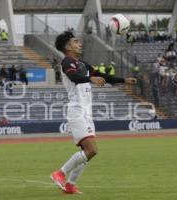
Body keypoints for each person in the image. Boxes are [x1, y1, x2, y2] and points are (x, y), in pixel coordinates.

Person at [50, 31, 136, 194]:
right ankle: (59, 173)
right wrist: (91, 79)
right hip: (76, 110)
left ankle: (70, 185)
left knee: (87, 153)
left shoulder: (82, 64)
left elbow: (103, 76)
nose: (79, 43)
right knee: (92, 150)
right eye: (76, 41)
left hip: (86, 112)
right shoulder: (67, 62)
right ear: (68, 46)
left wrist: (123, 80)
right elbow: (74, 77)